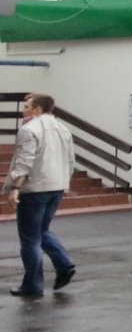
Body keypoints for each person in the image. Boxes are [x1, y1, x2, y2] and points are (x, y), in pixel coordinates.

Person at [4, 93, 77, 298]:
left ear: (37, 109)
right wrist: (65, 182)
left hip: (35, 189)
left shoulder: (29, 129)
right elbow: (70, 159)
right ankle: (64, 263)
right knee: (41, 230)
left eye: (27, 106)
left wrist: (15, 188)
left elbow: (25, 161)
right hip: (57, 186)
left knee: (30, 239)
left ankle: (33, 285)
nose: (23, 110)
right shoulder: (62, 129)